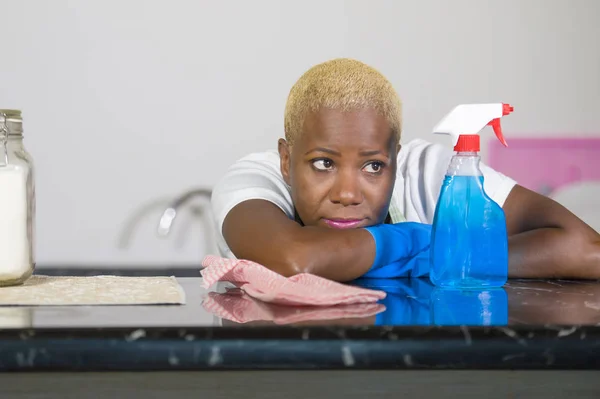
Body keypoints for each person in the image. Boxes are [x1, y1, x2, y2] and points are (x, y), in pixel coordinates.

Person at [210, 58, 600, 281]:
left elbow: (586, 249)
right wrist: (424, 244)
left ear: (396, 159)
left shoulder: (428, 172)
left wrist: (436, 259)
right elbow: (294, 260)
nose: (347, 194)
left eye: (374, 166)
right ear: (285, 159)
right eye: (323, 164)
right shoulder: (251, 182)